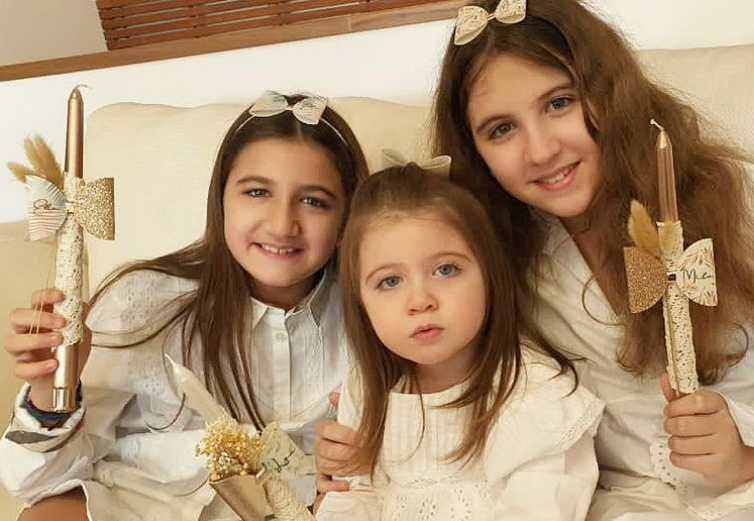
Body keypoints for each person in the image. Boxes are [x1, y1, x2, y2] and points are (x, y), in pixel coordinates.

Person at [430, 0, 754, 519]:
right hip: (625, 504)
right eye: (501, 129)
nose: (541, 151)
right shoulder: (494, 260)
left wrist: (743, 459)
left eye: (559, 103)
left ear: (610, 92)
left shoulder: (733, 203)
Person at [1, 91, 368, 521]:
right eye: (257, 192)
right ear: (221, 200)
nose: (282, 224)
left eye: (313, 201)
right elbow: (37, 485)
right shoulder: (144, 301)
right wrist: (51, 394)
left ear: (347, 217)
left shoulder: (373, 315)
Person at [315, 163, 604, 521]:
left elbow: (541, 509)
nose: (420, 301)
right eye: (390, 281)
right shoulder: (366, 389)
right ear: (360, 300)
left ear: (489, 274)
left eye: (446, 270)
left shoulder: (536, 394)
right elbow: (355, 497)